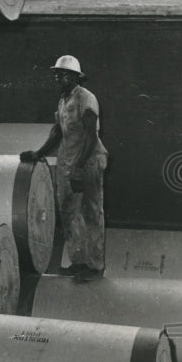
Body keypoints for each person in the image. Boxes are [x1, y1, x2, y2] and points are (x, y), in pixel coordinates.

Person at [21, 56, 108, 282]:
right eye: (56, 74)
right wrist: (39, 153)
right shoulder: (63, 100)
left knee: (90, 213)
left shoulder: (86, 98)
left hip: (88, 162)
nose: (58, 78)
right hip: (68, 163)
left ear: (75, 76)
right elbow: (58, 131)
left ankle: (95, 266)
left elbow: (91, 135)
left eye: (63, 74)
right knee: (69, 213)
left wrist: (79, 168)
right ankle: (78, 262)